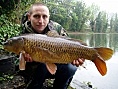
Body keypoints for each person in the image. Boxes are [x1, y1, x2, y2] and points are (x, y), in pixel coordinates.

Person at [21, 2, 85, 89]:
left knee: (71, 68)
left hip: (56, 63)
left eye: (45, 16)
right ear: (29, 17)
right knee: (38, 72)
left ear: (49, 17)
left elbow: (69, 45)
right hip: (35, 68)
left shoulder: (57, 28)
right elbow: (16, 61)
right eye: (36, 16)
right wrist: (25, 60)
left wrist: (77, 58)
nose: (41, 21)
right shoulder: (22, 34)